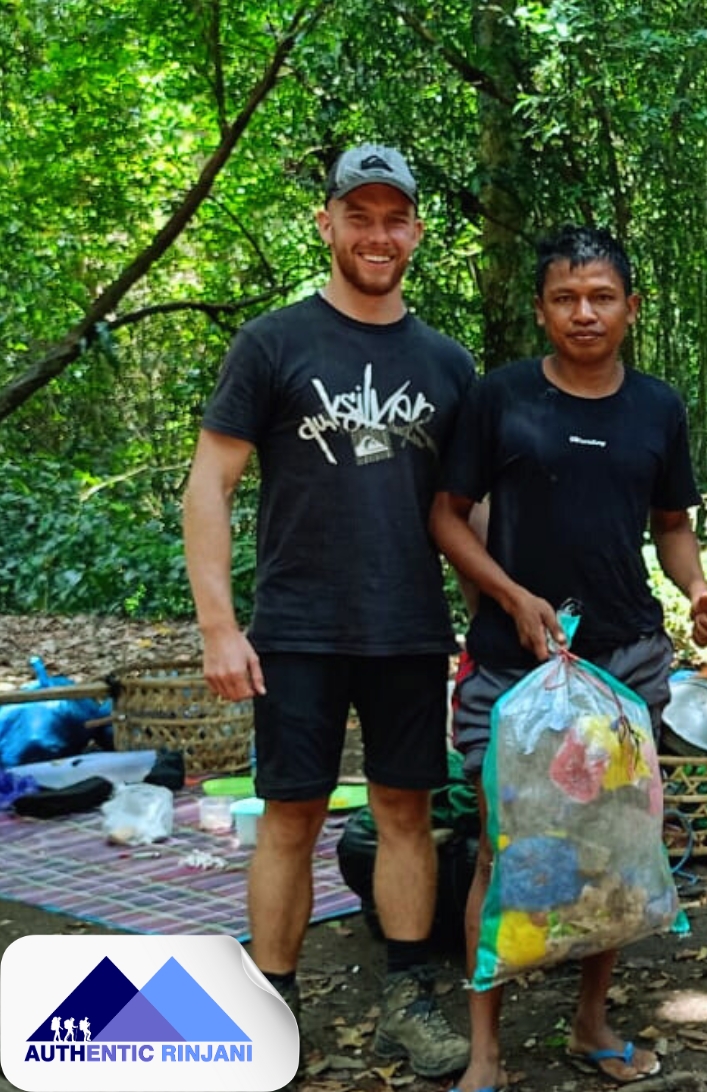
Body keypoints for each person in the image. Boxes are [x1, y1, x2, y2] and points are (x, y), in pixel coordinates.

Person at [183, 143, 474, 1079]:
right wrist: (219, 625)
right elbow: (209, 486)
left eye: (395, 219)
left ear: (417, 232)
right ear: (329, 223)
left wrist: (496, 616)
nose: (378, 236)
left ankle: (407, 996)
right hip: (297, 627)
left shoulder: (447, 363)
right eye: (361, 217)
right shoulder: (273, 342)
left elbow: (466, 516)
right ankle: (272, 1005)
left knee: (405, 810)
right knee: (290, 816)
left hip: (409, 628)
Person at [431, 225, 707, 1091]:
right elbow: (449, 514)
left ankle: (590, 1023)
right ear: (541, 310)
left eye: (601, 297)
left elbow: (671, 527)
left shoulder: (657, 408)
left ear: (631, 309)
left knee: (612, 847)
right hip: (508, 665)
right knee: (503, 845)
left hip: (624, 663)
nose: (584, 313)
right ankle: (485, 1054)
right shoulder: (501, 397)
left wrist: (698, 592)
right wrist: (509, 595)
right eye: (565, 298)